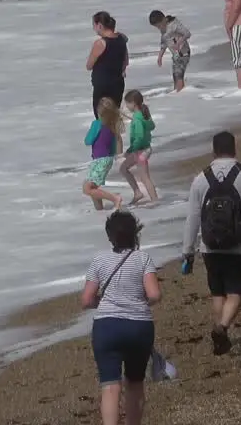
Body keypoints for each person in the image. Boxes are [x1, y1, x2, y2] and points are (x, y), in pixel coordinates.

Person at [181, 131, 241, 356]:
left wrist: (187, 251)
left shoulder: (201, 178)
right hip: (238, 247)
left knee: (218, 292)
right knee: (236, 292)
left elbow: (192, 217)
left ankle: (221, 336)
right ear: (234, 148)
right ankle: (222, 328)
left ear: (213, 151)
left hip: (209, 248)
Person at [81, 211, 161, 425]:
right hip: (139, 326)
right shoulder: (143, 258)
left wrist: (105, 302)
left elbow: (87, 300)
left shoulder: (99, 260)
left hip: (107, 327)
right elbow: (154, 295)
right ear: (135, 233)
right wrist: (136, 301)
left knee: (110, 386)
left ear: (110, 236)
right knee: (135, 384)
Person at [83, 97, 125, 210]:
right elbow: (114, 147)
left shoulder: (97, 124)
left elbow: (87, 141)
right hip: (107, 160)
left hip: (99, 160)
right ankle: (99, 209)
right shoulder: (112, 127)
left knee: (87, 188)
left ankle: (114, 198)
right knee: (92, 187)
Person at [87, 11, 129, 115]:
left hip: (102, 86)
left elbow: (89, 66)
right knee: (114, 118)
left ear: (100, 25)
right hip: (118, 83)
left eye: (94, 25)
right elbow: (126, 61)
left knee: (101, 118)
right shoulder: (122, 39)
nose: (94, 28)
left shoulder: (100, 43)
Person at [121, 90, 158, 205]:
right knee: (123, 168)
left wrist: (130, 150)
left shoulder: (137, 119)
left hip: (141, 151)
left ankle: (155, 200)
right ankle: (137, 192)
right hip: (143, 149)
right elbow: (152, 126)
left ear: (133, 103)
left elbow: (139, 137)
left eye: (127, 103)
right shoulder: (143, 115)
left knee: (144, 177)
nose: (126, 106)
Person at [148, 10, 191, 92]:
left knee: (179, 74)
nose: (159, 28)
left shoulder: (174, 25)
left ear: (164, 19)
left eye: (159, 25)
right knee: (175, 74)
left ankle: (180, 92)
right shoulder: (163, 29)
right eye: (157, 27)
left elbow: (187, 33)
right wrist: (160, 56)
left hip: (183, 52)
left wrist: (179, 42)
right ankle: (177, 92)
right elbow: (164, 42)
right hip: (175, 54)